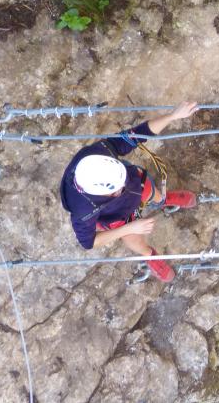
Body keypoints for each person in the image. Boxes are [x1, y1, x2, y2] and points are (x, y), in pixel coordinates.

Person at [60, 102, 200, 282]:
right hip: (115, 216)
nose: (123, 184)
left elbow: (136, 135)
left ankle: (163, 200)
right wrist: (130, 227)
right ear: (103, 193)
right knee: (133, 238)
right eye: (119, 187)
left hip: (137, 185)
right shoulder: (83, 210)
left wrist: (172, 116)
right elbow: (89, 242)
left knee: (150, 191)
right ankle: (149, 255)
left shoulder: (97, 154)